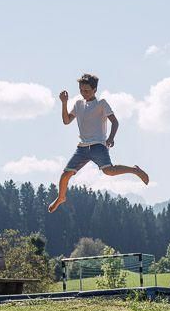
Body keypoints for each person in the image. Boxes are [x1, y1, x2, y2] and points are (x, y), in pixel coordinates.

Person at [48, 73, 149, 212]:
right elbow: (66, 121)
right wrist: (64, 103)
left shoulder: (101, 104)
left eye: (87, 90)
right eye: (81, 90)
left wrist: (111, 138)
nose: (83, 93)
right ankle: (61, 198)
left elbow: (115, 122)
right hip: (82, 148)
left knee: (109, 171)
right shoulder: (78, 104)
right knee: (65, 174)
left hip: (98, 145)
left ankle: (134, 170)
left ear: (95, 90)